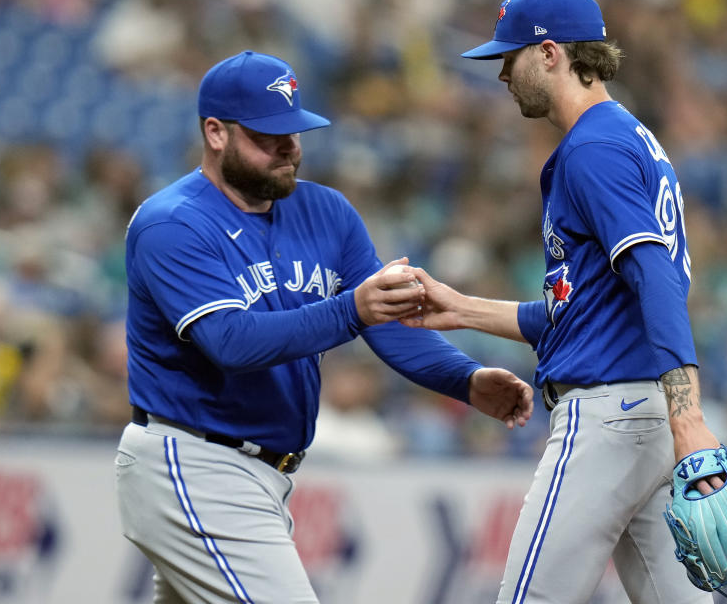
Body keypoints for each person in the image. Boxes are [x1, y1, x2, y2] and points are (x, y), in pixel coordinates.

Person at [113, 50, 533, 604]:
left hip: (259, 473)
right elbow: (230, 343)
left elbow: (386, 322)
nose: (289, 146)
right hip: (193, 463)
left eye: (295, 130)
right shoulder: (173, 223)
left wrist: (464, 379)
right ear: (215, 133)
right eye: (269, 134)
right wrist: (350, 310)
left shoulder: (326, 211)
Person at [402, 0, 723, 604]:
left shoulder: (594, 149)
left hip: (610, 416)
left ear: (550, 53)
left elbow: (654, 275)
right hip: (644, 414)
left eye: (509, 55)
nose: (500, 73)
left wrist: (691, 419)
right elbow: (578, 311)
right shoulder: (626, 137)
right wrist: (461, 309)